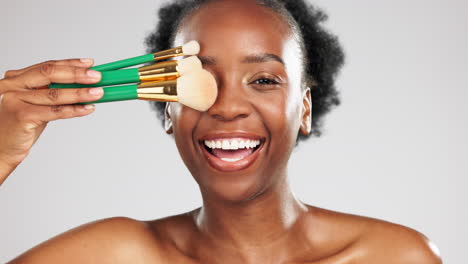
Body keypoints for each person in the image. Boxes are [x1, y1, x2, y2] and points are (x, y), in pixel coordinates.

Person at [0, 0, 442, 263]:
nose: (227, 107)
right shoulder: (112, 255)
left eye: (264, 80)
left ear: (303, 109)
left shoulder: (396, 256)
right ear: (167, 109)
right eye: (199, 79)